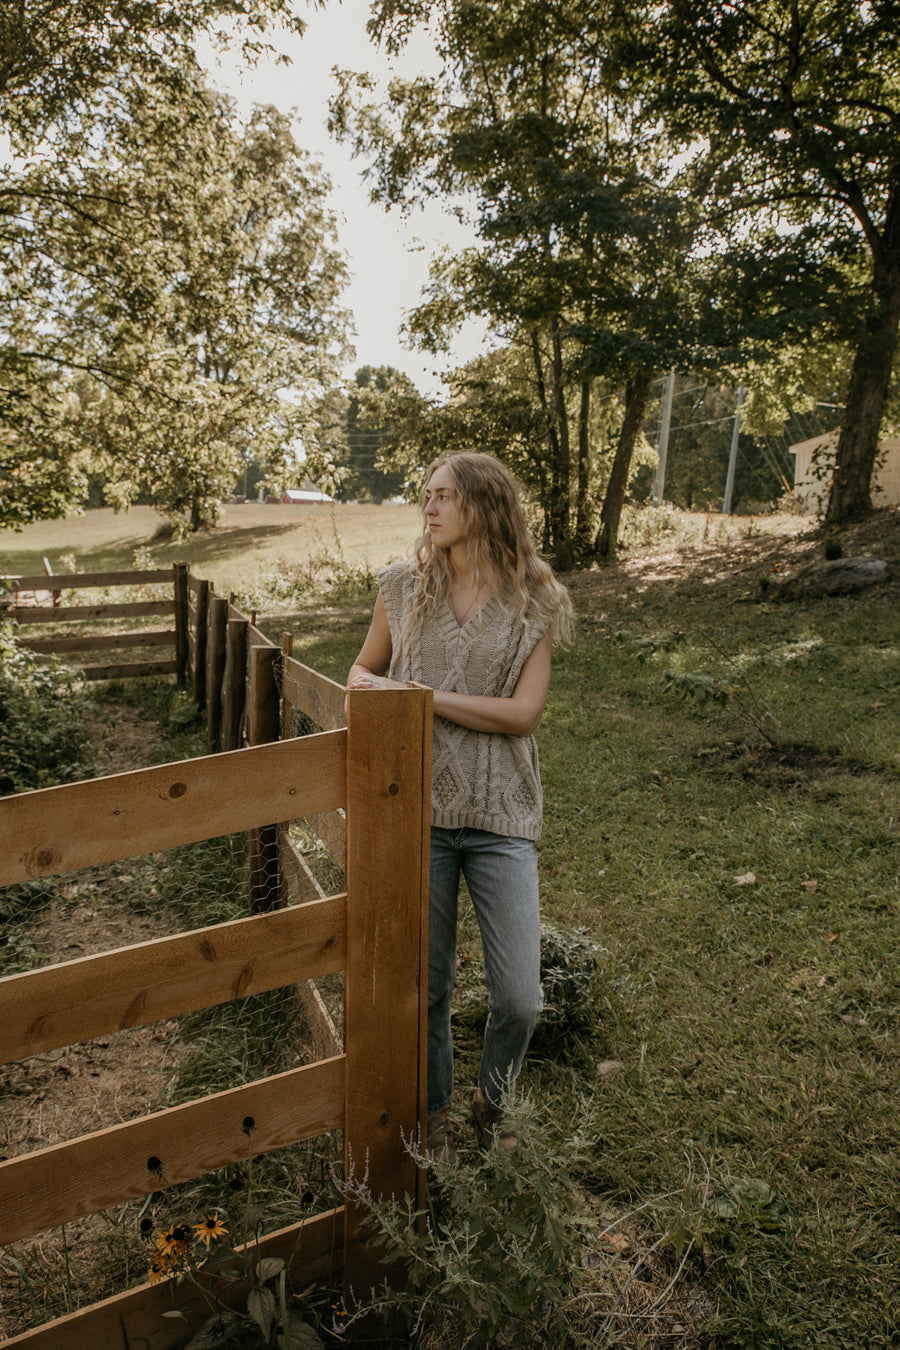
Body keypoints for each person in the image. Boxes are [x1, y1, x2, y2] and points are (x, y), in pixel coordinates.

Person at [346, 451, 573, 1155]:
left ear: (484, 504)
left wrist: (421, 701)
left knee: (519, 1000)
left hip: (503, 816)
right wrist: (395, 694)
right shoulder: (402, 588)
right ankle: (439, 1114)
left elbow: (524, 715)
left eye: (445, 496)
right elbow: (360, 673)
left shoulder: (536, 601)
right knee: (431, 986)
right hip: (419, 815)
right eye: (427, 496)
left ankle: (491, 1100)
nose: (431, 509)